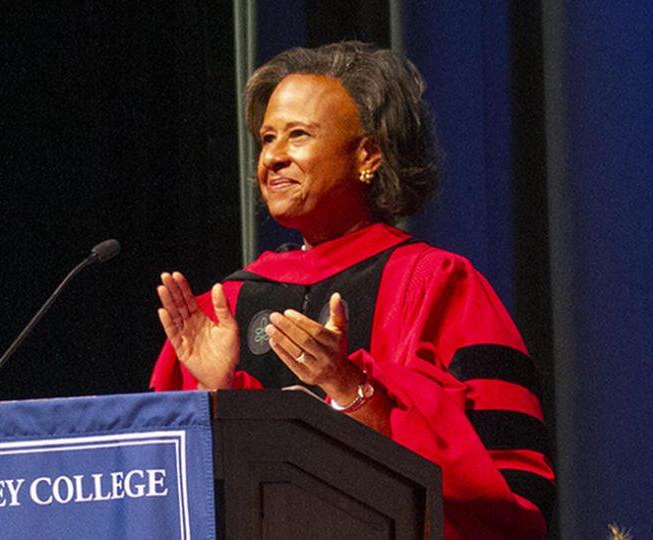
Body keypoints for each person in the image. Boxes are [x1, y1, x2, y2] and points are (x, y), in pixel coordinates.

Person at [149, 41, 554, 539]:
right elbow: (162, 495)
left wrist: (349, 389)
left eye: (298, 135)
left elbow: (505, 487)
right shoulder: (231, 301)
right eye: (267, 138)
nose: (272, 157)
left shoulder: (437, 283)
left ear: (368, 155)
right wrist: (215, 395)